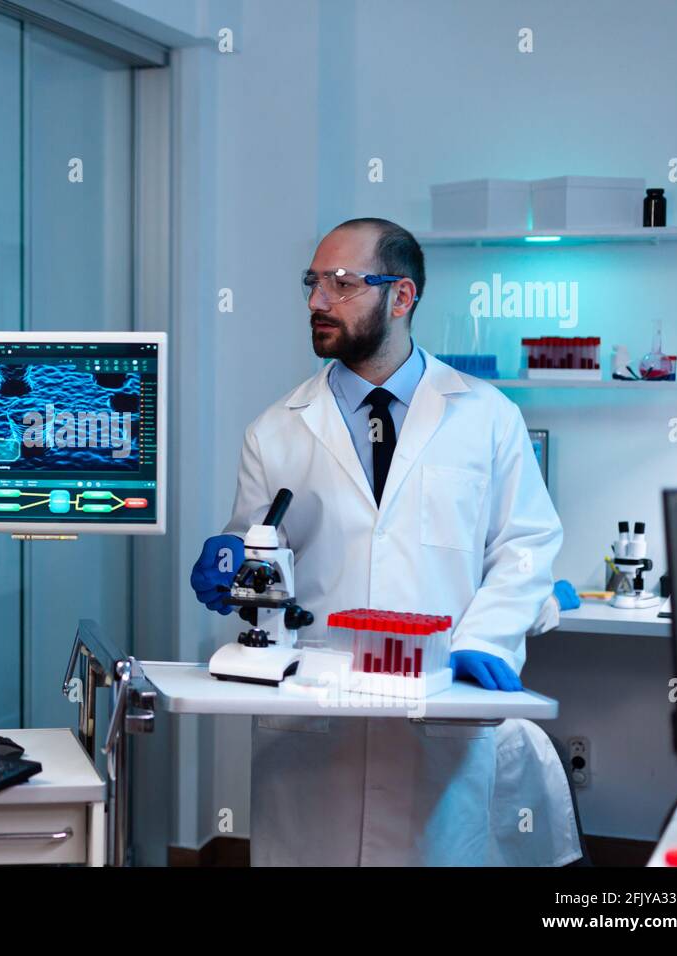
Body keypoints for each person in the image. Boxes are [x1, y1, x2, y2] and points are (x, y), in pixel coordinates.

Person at [190, 218, 567, 866]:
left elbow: (525, 544)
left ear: (402, 297)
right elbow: (255, 549)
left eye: (341, 283)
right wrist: (230, 556)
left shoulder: (486, 417)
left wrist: (482, 641)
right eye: (313, 283)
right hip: (312, 726)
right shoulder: (275, 431)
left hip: (438, 713)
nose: (316, 301)